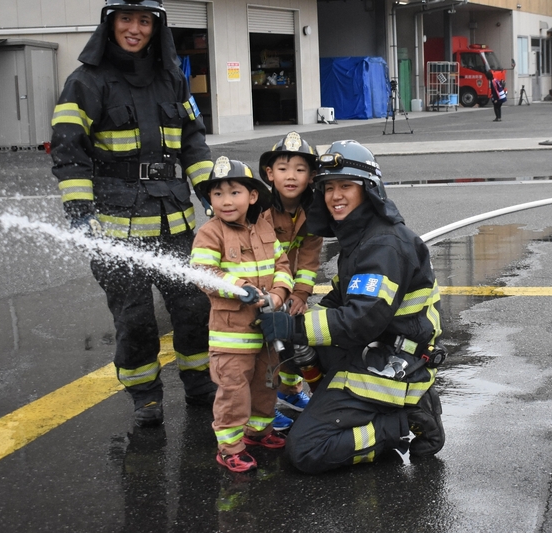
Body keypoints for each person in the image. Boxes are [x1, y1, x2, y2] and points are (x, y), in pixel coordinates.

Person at [50, 0, 216, 427]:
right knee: (136, 317)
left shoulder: (172, 80)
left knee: (193, 306)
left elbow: (194, 142)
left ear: (156, 25)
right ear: (109, 21)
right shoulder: (85, 82)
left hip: (174, 223)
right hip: (114, 227)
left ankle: (199, 382)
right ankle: (145, 393)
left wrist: (214, 193)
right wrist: (81, 214)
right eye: (125, 18)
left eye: (144, 20)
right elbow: (69, 154)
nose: (134, 29)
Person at [257, 140, 446, 474]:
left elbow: (362, 320)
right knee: (300, 339)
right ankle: (338, 407)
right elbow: (339, 300)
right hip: (375, 348)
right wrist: (289, 316)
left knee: (306, 449)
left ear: (369, 190)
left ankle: (402, 421)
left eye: (346, 186)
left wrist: (294, 328)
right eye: (328, 188)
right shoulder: (360, 236)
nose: (335, 196)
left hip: (392, 363)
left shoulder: (382, 246)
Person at [190, 156, 294, 473]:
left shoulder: (263, 228)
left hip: (265, 333)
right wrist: (239, 287)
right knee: (234, 393)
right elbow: (202, 272)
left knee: (266, 385)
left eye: (234, 192)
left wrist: (277, 295)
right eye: (217, 193)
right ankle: (230, 446)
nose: (225, 200)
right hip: (231, 337)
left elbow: (283, 267)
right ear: (210, 200)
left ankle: (258, 432)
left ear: (252, 196)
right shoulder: (210, 233)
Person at [258, 131, 323, 428]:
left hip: (288, 291)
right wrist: (275, 295)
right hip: (261, 291)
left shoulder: (311, 212)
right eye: (283, 169)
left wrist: (300, 295)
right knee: (266, 350)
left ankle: (292, 390)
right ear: (269, 174)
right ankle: (265, 407)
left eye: (300, 169)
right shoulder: (259, 210)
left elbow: (309, 258)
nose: (291, 176)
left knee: (295, 336)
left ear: (311, 176)